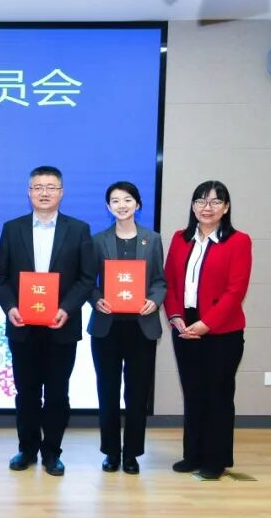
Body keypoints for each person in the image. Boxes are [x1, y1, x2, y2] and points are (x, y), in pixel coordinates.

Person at [0, 166, 95, 477]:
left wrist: (66, 308)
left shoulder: (78, 229)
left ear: (61, 193)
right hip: (23, 326)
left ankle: (52, 452)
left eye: (51, 187)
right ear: (29, 192)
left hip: (61, 326)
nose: (44, 192)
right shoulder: (13, 228)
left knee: (57, 393)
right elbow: (1, 277)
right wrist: (10, 307)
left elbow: (86, 277)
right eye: (38, 187)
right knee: (26, 393)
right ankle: (26, 449)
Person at [164, 180, 251, 480]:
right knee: (193, 393)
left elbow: (235, 291)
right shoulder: (180, 238)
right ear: (193, 206)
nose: (207, 207)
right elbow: (170, 283)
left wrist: (206, 324)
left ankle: (216, 459)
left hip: (221, 331)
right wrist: (175, 316)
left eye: (215, 201)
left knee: (218, 395)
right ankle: (193, 455)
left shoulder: (239, 241)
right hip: (184, 326)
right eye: (201, 201)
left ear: (226, 208)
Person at [87, 181, 165, 475]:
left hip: (141, 327)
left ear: (138, 204)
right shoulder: (98, 241)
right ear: (108, 207)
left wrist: (154, 301)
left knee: (137, 393)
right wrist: (96, 299)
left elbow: (160, 281)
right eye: (115, 201)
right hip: (107, 328)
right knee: (107, 392)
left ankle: (131, 453)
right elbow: (88, 282)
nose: (122, 205)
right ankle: (111, 452)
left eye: (128, 199)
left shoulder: (152, 240)